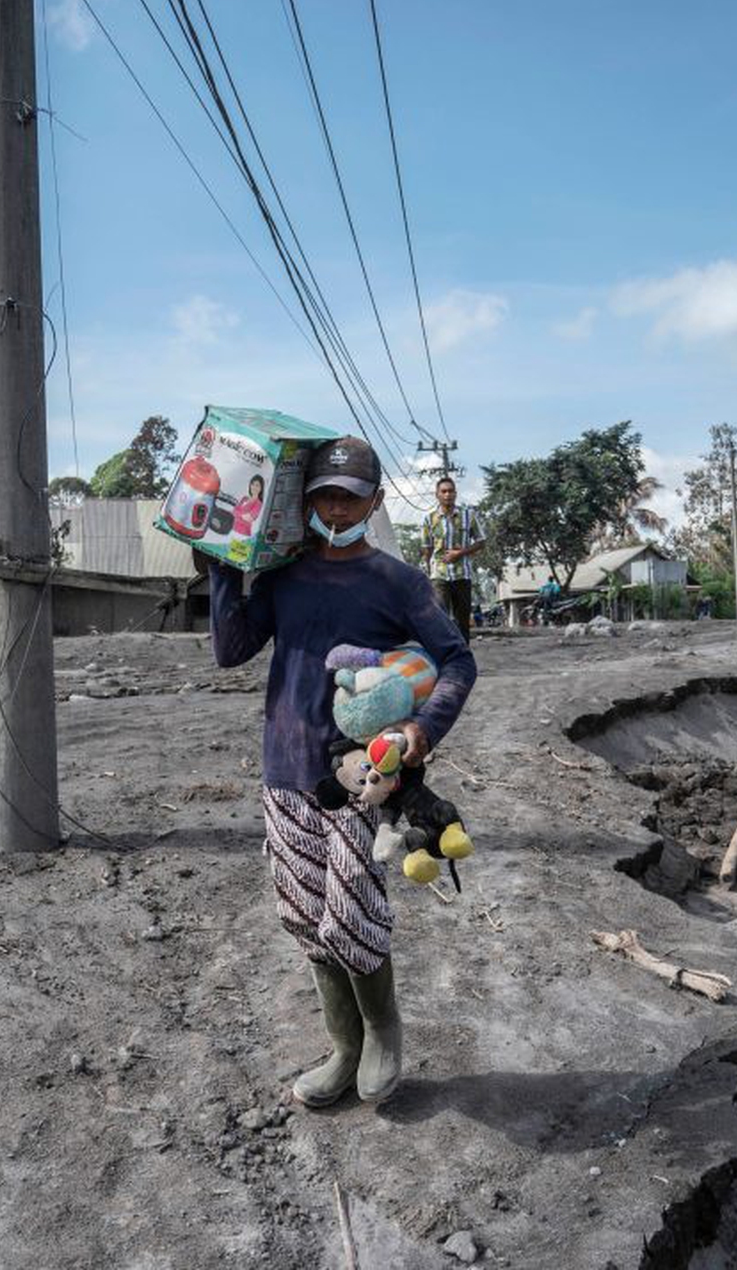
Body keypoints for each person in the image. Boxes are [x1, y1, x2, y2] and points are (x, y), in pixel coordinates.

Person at [208, 436, 476, 1107]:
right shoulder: (285, 574)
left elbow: (457, 660)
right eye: (324, 496)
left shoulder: (398, 583)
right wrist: (218, 570)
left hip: (360, 779)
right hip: (283, 772)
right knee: (304, 916)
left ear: (374, 502)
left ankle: (383, 1032)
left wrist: (421, 728)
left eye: (349, 498)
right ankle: (344, 1046)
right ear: (306, 502)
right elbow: (231, 650)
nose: (334, 507)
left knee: (351, 911)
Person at [421, 476, 487, 642]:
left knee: (462, 620)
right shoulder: (429, 519)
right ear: (437, 494)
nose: (447, 494)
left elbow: (481, 542)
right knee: (440, 618)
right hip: (439, 575)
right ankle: (443, 657)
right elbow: (426, 549)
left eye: (450, 491)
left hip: (462, 575)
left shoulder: (468, 516)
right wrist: (427, 573)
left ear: (456, 494)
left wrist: (460, 553)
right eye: (443, 491)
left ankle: (463, 658)